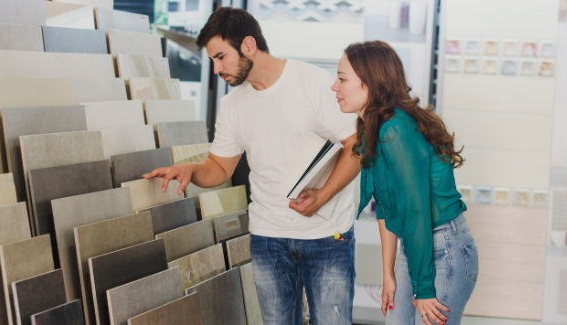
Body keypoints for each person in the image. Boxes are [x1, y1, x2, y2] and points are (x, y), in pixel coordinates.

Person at [144, 7, 361, 325]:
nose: (216, 69)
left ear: (248, 45)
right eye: (212, 61)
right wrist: (191, 170)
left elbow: (356, 146)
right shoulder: (232, 104)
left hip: (327, 236)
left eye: (220, 57)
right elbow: (219, 168)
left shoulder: (314, 84)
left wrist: (323, 195)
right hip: (267, 238)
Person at [331, 40, 478, 325]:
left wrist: (423, 287)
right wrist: (389, 274)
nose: (334, 87)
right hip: (414, 247)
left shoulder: (395, 129)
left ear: (369, 83)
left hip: (444, 248)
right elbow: (387, 206)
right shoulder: (373, 126)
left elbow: (416, 210)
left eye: (341, 79)